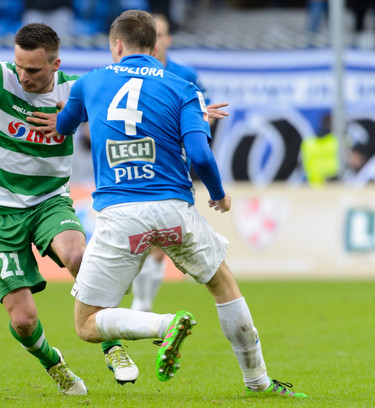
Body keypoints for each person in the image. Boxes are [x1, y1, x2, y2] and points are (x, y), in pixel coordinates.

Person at [48, 9, 309, 397]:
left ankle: (163, 324)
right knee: (224, 285)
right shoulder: (183, 88)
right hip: (174, 210)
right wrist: (218, 194)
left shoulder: (90, 83)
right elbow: (201, 157)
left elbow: (65, 127)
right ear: (156, 46)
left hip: (119, 213)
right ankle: (259, 382)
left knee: (87, 323)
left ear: (116, 46)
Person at [0, 22, 138, 395]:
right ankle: (55, 365)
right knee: (23, 320)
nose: (24, 76)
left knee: (78, 256)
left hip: (49, 201)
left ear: (56, 64)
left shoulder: (76, 90)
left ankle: (112, 345)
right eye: (20, 66)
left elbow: (136, 105)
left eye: (34, 70)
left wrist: (195, 114)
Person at [130, 12, 226, 313]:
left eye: (160, 34)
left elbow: (205, 121)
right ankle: (140, 303)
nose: (155, 40)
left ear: (168, 39)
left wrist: (194, 124)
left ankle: (141, 305)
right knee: (141, 242)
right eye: (150, 34)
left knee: (158, 242)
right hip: (133, 164)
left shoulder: (185, 75)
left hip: (171, 167)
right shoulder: (127, 74)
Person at [300, 113, 339, 187]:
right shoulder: (337, 141)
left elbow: (302, 164)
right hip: (332, 184)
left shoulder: (308, 143)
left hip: (314, 183)